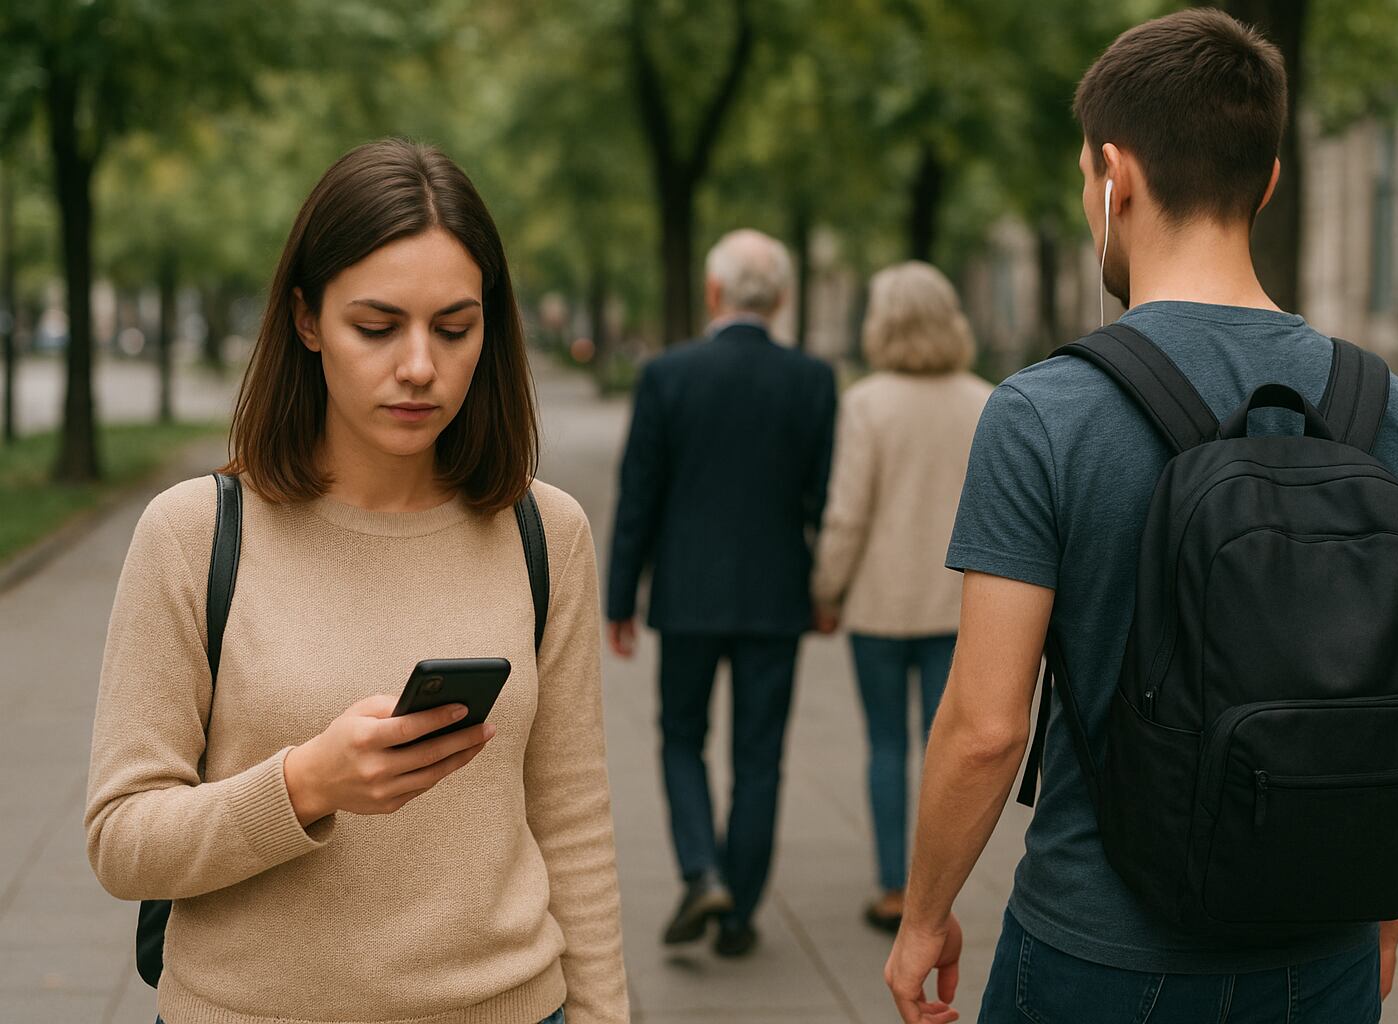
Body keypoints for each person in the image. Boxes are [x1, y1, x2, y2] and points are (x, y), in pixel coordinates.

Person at [884, 11, 1398, 1024]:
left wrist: (924, 913)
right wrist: (1383, 920)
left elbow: (985, 728)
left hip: (1101, 953)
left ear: (1115, 177)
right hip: (1322, 949)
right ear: (1271, 179)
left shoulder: (1044, 412)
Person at [85, 139, 627, 1024]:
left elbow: (571, 821)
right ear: (306, 321)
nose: (420, 364)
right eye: (376, 327)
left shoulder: (544, 531)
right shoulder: (194, 533)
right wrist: (305, 786)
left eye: (455, 328)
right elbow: (122, 841)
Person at [606, 228, 836, 958]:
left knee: (681, 737)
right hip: (776, 594)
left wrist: (619, 597)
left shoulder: (669, 375)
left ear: (713, 293)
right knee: (760, 756)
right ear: (783, 299)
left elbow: (638, 493)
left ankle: (702, 870)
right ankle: (738, 916)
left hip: (689, 593)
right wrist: (825, 588)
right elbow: (824, 499)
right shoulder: (812, 379)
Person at [810, 261, 991, 933]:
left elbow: (847, 514)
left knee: (886, 744)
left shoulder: (866, 402)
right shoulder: (986, 399)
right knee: (948, 746)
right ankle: (936, 893)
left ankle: (893, 889)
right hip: (960, 604)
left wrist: (826, 589)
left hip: (880, 605)